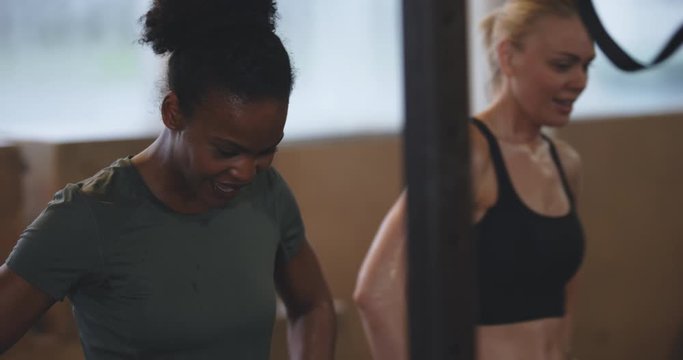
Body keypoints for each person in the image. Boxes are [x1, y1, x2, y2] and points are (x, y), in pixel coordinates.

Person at [0, 0, 336, 358]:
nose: (246, 171)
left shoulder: (269, 195)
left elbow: (313, 305)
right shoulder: (88, 215)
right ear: (173, 112)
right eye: (226, 151)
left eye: (266, 150)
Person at [354, 0, 594, 359]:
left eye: (586, 66)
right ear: (508, 56)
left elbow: (564, 294)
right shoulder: (470, 152)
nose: (579, 81)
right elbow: (375, 293)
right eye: (562, 65)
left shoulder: (564, 162)